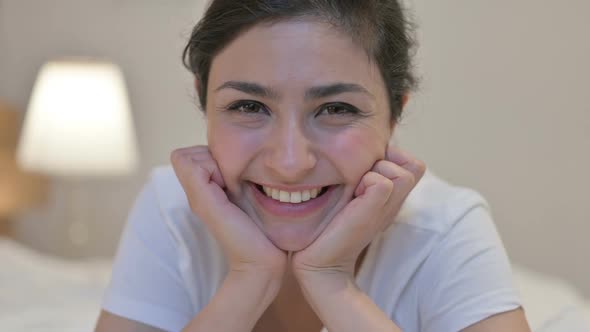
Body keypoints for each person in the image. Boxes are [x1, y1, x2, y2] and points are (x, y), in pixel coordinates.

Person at [95, 0, 531, 331]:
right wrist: (250, 278)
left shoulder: (444, 227)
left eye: (336, 109)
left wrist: (331, 282)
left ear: (394, 115)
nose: (290, 163)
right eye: (249, 105)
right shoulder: (173, 206)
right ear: (204, 101)